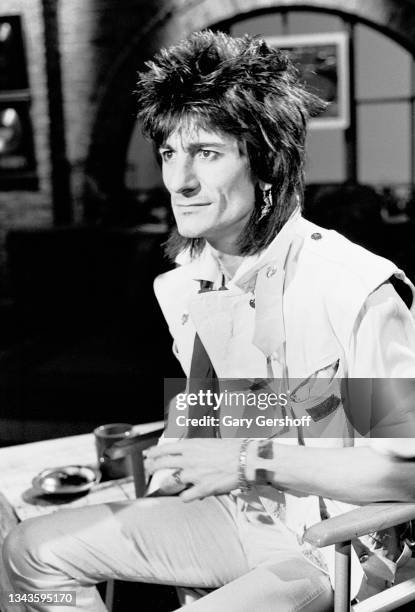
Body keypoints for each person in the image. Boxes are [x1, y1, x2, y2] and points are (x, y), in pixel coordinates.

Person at [3, 30, 415, 612]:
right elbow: (232, 404)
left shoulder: (353, 288)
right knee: (30, 551)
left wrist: (250, 459)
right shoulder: (187, 283)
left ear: (267, 165)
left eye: (207, 153)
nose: (179, 181)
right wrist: (182, 443)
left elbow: (407, 476)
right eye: (170, 153)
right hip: (245, 510)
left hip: (334, 547)